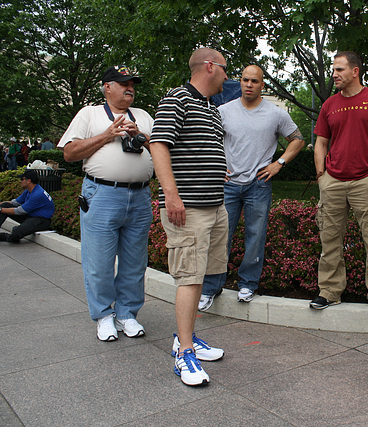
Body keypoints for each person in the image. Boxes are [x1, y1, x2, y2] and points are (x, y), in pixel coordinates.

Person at [149, 48, 228, 386]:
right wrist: (171, 194)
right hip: (189, 208)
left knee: (203, 273)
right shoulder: (176, 99)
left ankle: (189, 336)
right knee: (189, 277)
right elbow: (158, 144)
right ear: (209, 67)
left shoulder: (211, 108)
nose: (228, 76)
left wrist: (217, 167)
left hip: (214, 205)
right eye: (225, 69)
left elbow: (196, 147)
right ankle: (184, 353)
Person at [59, 65, 154, 343]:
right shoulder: (89, 114)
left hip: (139, 196)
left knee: (135, 261)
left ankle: (127, 314)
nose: (130, 89)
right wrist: (108, 134)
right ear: (107, 87)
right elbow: (69, 153)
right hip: (101, 195)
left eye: (133, 84)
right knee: (98, 260)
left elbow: (162, 151)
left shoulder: (145, 117)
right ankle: (103, 315)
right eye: (123, 83)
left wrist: (141, 135)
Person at [199, 65, 305, 309]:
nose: (249, 84)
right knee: (219, 238)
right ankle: (210, 288)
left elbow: (298, 140)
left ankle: (248, 284)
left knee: (255, 237)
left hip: (259, 183)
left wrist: (279, 163)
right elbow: (207, 139)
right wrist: (216, 164)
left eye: (254, 81)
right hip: (227, 185)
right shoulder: (223, 111)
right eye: (245, 80)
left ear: (262, 85)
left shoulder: (275, 114)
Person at [311, 51, 368, 314]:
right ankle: (329, 291)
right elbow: (320, 143)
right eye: (334, 70)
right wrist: (321, 176)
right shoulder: (329, 105)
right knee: (329, 241)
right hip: (333, 182)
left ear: (355, 71)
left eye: (339, 69)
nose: (334, 75)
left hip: (366, 182)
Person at [0, 169, 54, 243]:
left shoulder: (38, 194)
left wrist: (0, 209)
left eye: (22, 179)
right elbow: (15, 203)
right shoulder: (29, 190)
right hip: (30, 216)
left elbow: (19, 211)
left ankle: (7, 237)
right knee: (5, 205)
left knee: (16, 233)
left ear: (29, 181)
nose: (20, 181)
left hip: (41, 220)